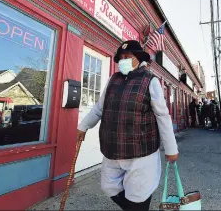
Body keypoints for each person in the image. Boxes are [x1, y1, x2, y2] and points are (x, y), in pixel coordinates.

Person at [77, 40, 179, 211]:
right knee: (108, 186)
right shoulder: (112, 80)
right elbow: (99, 108)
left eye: (128, 56)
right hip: (112, 150)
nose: (123, 59)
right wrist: (83, 126)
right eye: (121, 57)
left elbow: (163, 116)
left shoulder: (150, 81)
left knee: (138, 194)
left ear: (138, 58)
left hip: (141, 153)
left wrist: (171, 149)